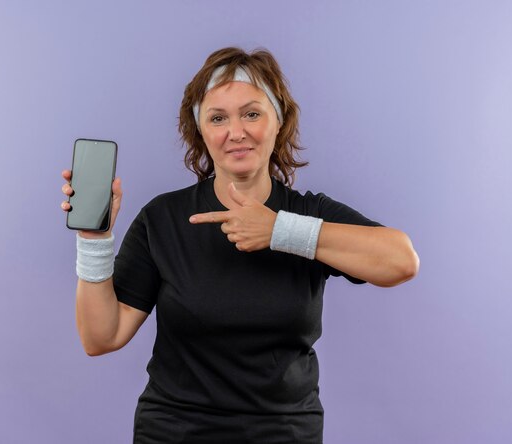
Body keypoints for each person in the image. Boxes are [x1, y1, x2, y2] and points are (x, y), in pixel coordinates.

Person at [60, 47, 419, 444]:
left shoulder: (307, 212)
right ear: (200, 131)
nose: (236, 132)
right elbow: (101, 337)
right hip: (174, 433)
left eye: (251, 113)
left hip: (284, 434)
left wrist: (280, 230)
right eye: (218, 118)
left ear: (278, 123)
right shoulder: (162, 218)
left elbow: (400, 261)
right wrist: (94, 239)